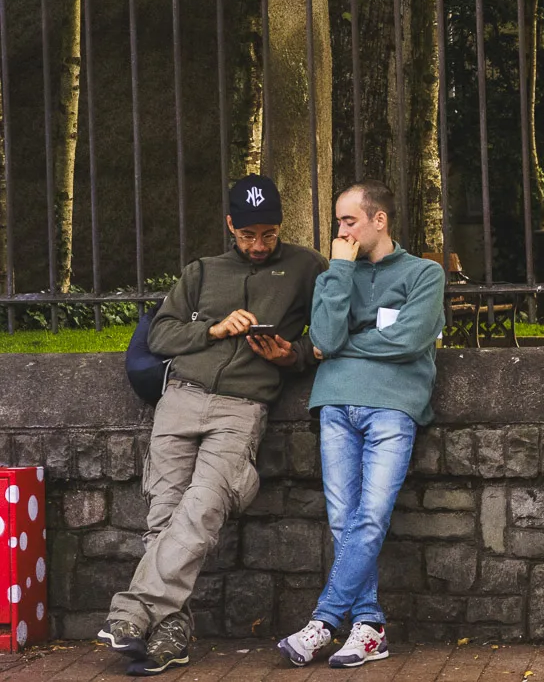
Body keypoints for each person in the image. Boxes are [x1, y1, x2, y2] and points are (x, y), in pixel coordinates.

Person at [98, 174, 327, 676]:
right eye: (248, 235)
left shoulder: (306, 267)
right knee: (163, 518)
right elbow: (161, 333)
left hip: (241, 408)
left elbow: (330, 330)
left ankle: (131, 612)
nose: (259, 245)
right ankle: (172, 635)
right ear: (230, 225)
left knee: (202, 510)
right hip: (179, 400)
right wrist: (214, 329)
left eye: (268, 234)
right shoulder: (201, 271)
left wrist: (293, 355)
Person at [277, 180, 444, 669]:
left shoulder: (423, 274)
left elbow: (409, 342)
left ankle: (324, 622)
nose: (340, 231)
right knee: (342, 520)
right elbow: (324, 336)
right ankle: (368, 627)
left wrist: (346, 347)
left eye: (349, 221)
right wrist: (342, 273)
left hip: (393, 406)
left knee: (369, 516)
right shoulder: (338, 272)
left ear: (379, 220)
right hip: (334, 404)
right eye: (338, 222)